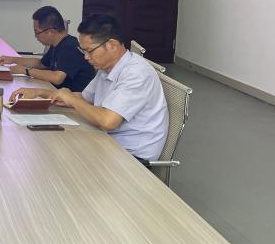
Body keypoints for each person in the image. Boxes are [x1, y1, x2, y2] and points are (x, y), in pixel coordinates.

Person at [10, 14, 168, 162]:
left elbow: (108, 121)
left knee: (56, 157)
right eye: (83, 50)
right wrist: (39, 93)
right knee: (48, 147)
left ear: (112, 45)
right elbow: (84, 98)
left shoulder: (136, 73)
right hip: (106, 141)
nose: (86, 57)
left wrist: (71, 99)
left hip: (131, 157)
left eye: (89, 50)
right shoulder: (107, 67)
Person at [0, 6, 94, 92]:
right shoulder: (57, 44)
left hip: (74, 100)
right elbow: (41, 64)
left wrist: (25, 70)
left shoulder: (70, 46)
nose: (35, 36)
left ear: (50, 31)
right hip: (58, 93)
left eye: (37, 32)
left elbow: (57, 78)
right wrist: (13, 59)